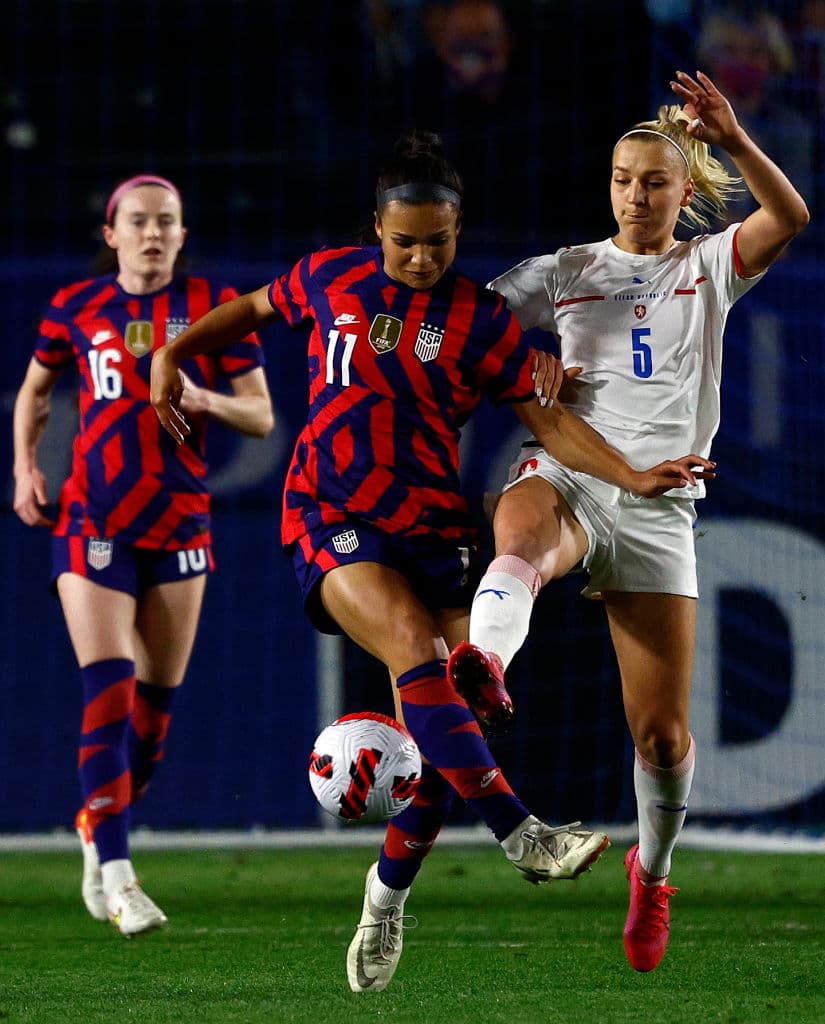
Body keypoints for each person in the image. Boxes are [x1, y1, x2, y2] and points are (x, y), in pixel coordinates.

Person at [150, 130, 712, 991]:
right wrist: (173, 352)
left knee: (449, 734)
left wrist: (634, 475)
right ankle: (523, 834)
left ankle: (384, 899)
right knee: (419, 654)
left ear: (457, 234)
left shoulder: (482, 321)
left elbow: (554, 424)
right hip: (330, 513)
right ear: (374, 229)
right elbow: (253, 308)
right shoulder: (328, 276)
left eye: (436, 242)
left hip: (434, 526)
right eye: (402, 240)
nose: (418, 257)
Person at [447, 70, 810, 973]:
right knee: (519, 531)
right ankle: (484, 661)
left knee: (661, 737)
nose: (634, 193)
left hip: (660, 506)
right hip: (571, 470)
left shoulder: (707, 267)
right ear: (605, 183)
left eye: (653, 180)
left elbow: (791, 217)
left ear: (685, 193)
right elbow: (468, 329)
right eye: (620, 177)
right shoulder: (565, 272)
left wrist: (731, 138)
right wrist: (523, 361)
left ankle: (652, 874)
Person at [12, 174, 275, 937]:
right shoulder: (75, 308)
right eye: (139, 221)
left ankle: (96, 827)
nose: (153, 233)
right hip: (93, 522)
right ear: (112, 233)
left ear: (183, 235)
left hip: (182, 526)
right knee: (112, 688)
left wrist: (204, 400)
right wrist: (26, 468)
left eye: (167, 222)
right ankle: (123, 877)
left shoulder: (213, 312)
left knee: (152, 721)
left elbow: (260, 415)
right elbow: (34, 391)